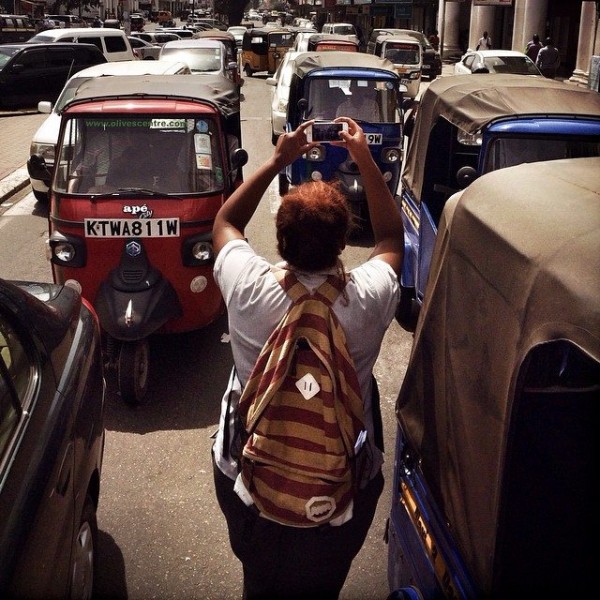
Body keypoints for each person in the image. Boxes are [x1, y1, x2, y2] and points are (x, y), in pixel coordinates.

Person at [211, 117, 404, 599]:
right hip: (338, 500)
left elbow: (226, 223)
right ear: (342, 244)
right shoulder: (367, 298)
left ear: (280, 242)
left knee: (258, 583)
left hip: (250, 486)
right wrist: (364, 158)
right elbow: (391, 242)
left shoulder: (247, 287)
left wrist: (279, 159)